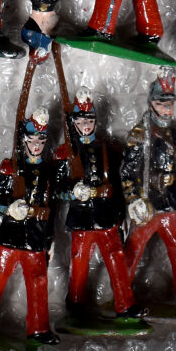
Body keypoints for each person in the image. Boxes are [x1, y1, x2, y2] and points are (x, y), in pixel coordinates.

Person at [0, 109, 58, 344]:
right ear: (24, 140)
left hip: (36, 236)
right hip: (11, 234)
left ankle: (39, 328)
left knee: (38, 280)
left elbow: (50, 209)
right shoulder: (11, 168)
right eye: (32, 140)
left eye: (41, 140)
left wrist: (50, 239)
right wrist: (9, 208)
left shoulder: (47, 173)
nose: (36, 145)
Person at [55, 92, 142, 321]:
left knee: (116, 259)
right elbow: (56, 189)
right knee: (79, 263)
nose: (86, 125)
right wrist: (72, 192)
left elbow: (117, 184)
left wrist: (122, 215)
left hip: (106, 215)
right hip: (81, 217)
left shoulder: (109, 150)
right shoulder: (66, 154)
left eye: (90, 120)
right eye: (81, 120)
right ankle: (75, 304)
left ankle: (125, 304)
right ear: (74, 122)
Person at [121, 70, 176, 304]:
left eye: (170, 104)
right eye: (161, 103)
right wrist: (133, 199)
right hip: (147, 204)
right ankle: (121, 294)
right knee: (133, 249)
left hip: (170, 202)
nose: (167, 109)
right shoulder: (140, 135)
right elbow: (128, 172)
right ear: (151, 104)